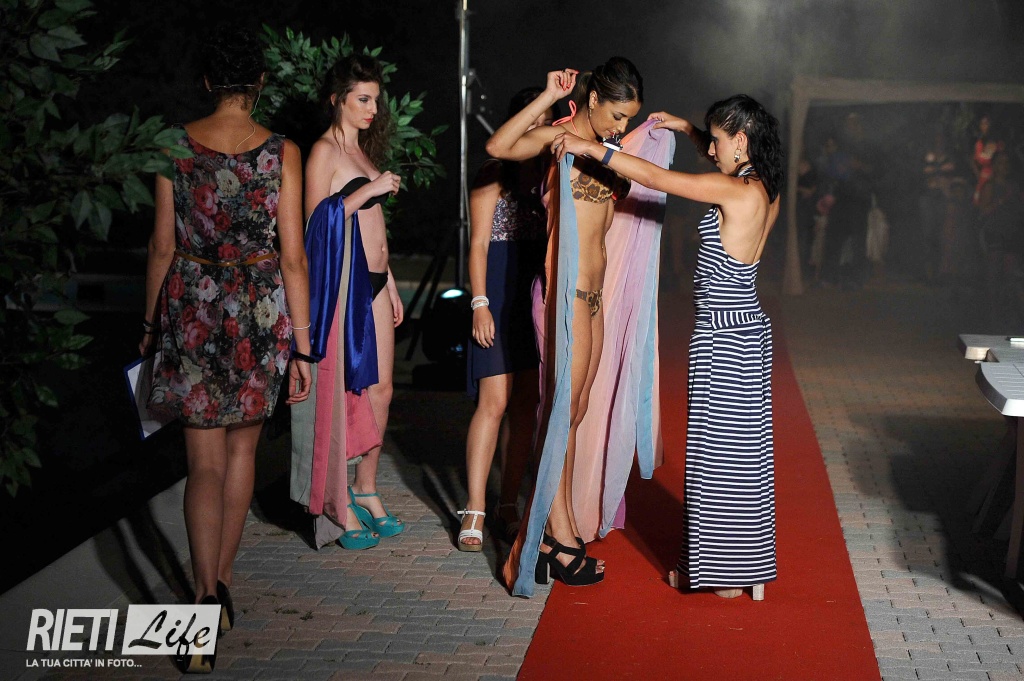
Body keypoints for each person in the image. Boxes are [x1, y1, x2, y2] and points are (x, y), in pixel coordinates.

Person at [555, 93, 784, 601]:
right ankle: (747, 567)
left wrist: (590, 149)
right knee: (742, 459)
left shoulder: (734, 190)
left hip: (724, 337)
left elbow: (657, 179)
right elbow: (719, 159)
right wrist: (686, 128)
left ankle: (723, 575)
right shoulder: (765, 187)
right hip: (746, 329)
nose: (712, 150)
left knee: (718, 461)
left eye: (718, 141)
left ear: (741, 141)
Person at [141, 28, 311, 672]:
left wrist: (150, 326)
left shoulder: (172, 144)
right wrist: (303, 347)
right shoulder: (282, 151)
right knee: (242, 452)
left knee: (202, 463)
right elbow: (292, 256)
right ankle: (222, 584)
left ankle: (201, 598)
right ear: (259, 83)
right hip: (260, 311)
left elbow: (162, 246)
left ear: (209, 81)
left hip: (193, 306)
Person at [486, 58, 646, 596]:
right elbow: (499, 146)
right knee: (559, 414)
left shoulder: (606, 148)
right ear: (593, 99)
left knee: (573, 414)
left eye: (629, 118)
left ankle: (559, 526)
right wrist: (547, 97)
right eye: (617, 114)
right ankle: (557, 535)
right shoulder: (557, 138)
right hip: (564, 297)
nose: (621, 126)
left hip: (594, 300)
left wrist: (672, 130)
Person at [289, 54, 405, 551]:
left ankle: (365, 486)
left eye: (375, 100)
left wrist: (391, 281)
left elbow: (371, 228)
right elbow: (315, 224)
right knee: (341, 393)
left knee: (382, 390)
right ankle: (337, 500)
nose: (372, 108)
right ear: (337, 99)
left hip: (376, 282)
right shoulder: (323, 151)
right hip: (343, 286)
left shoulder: (362, 151)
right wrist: (371, 190)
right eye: (363, 99)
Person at [458, 88, 554, 551]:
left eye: (546, 121)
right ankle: (475, 507)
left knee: (524, 406)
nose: (538, 129)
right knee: (493, 401)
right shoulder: (493, 172)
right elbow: (478, 244)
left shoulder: (552, 173)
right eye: (531, 119)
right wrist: (479, 303)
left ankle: (508, 503)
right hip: (495, 296)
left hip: (534, 298)